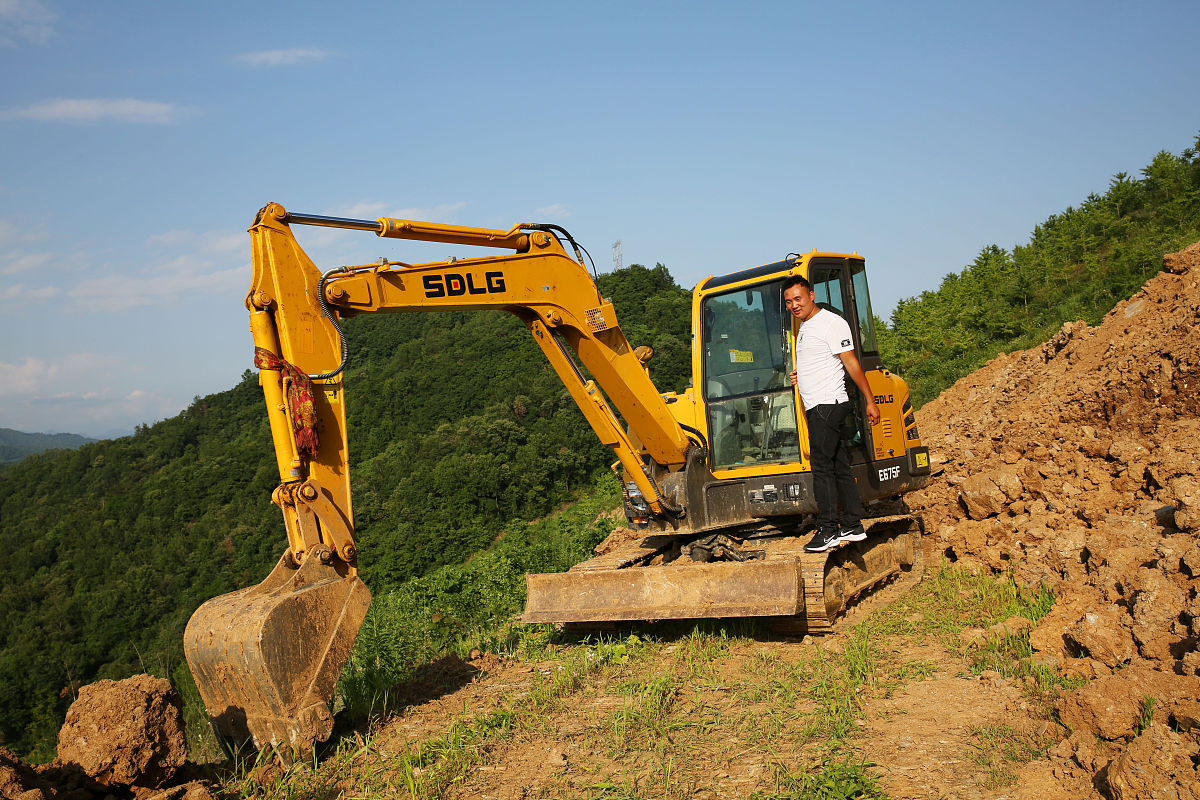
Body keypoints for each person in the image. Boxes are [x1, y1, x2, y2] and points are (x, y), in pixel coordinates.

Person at [783, 276, 881, 553]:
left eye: (798, 298)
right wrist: (799, 375)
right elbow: (821, 361)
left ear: (811, 295)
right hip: (818, 404)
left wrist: (870, 401)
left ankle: (828, 530)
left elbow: (851, 363)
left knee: (822, 468)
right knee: (839, 466)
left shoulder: (831, 323)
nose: (794, 305)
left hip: (828, 404)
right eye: (789, 301)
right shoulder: (804, 326)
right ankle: (852, 523)